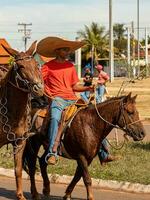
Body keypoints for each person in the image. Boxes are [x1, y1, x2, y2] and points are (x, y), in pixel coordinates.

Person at [37, 36, 94, 165]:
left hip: (73, 99)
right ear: (57, 51)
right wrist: (48, 94)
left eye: (68, 50)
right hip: (58, 99)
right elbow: (40, 83)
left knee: (93, 115)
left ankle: (103, 152)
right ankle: (52, 152)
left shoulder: (70, 66)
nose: (68, 52)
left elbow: (74, 86)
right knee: (55, 119)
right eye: (65, 50)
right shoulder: (47, 67)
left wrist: (88, 87)